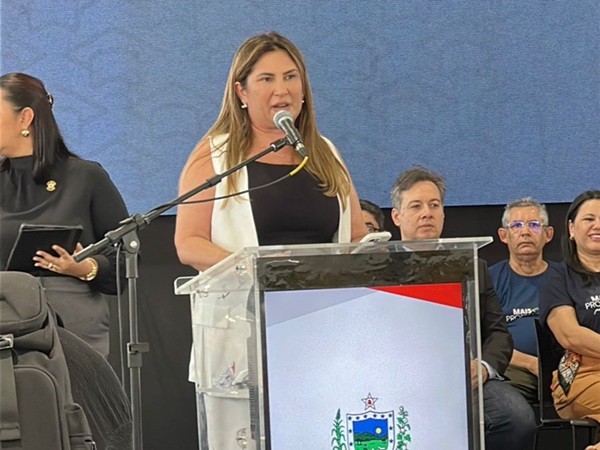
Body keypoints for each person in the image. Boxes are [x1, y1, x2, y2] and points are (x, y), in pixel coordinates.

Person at [174, 32, 367, 448]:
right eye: (266, 79)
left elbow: (355, 235)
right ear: (241, 92)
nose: (282, 90)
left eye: (291, 77)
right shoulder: (215, 154)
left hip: (322, 331)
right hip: (243, 335)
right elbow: (188, 243)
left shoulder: (325, 153)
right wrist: (258, 270)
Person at [390, 166, 537, 450]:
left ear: (444, 214)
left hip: (465, 379)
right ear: (397, 216)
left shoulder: (473, 266)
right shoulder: (378, 268)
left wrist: (483, 368)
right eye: (416, 206)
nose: (427, 213)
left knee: (517, 419)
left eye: (434, 205)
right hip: (402, 378)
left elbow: (499, 333)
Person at [0, 72, 128, 358]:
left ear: (25, 118)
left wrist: (84, 268)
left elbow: (124, 260)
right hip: (7, 329)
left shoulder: (86, 177)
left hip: (75, 330)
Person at [539, 190, 600, 450]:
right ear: (572, 229)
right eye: (589, 219)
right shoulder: (558, 277)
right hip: (580, 374)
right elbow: (570, 336)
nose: (597, 226)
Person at [489, 197, 556, 404]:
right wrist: (531, 363)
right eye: (516, 225)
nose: (525, 232)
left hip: (564, 369)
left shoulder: (565, 277)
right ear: (504, 235)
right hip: (513, 370)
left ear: (548, 234)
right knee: (501, 403)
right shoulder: (489, 279)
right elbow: (484, 340)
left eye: (534, 225)